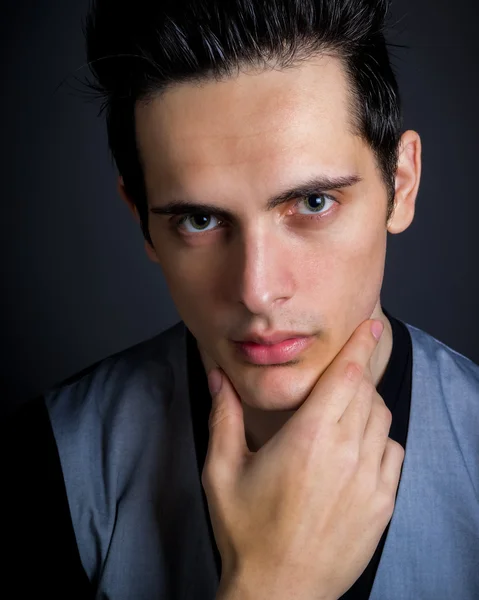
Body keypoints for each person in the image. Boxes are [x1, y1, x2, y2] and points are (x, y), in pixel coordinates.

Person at [3, 0, 479, 598]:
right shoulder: (44, 467)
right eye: (200, 219)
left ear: (401, 183)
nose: (256, 291)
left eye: (312, 203)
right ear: (142, 221)